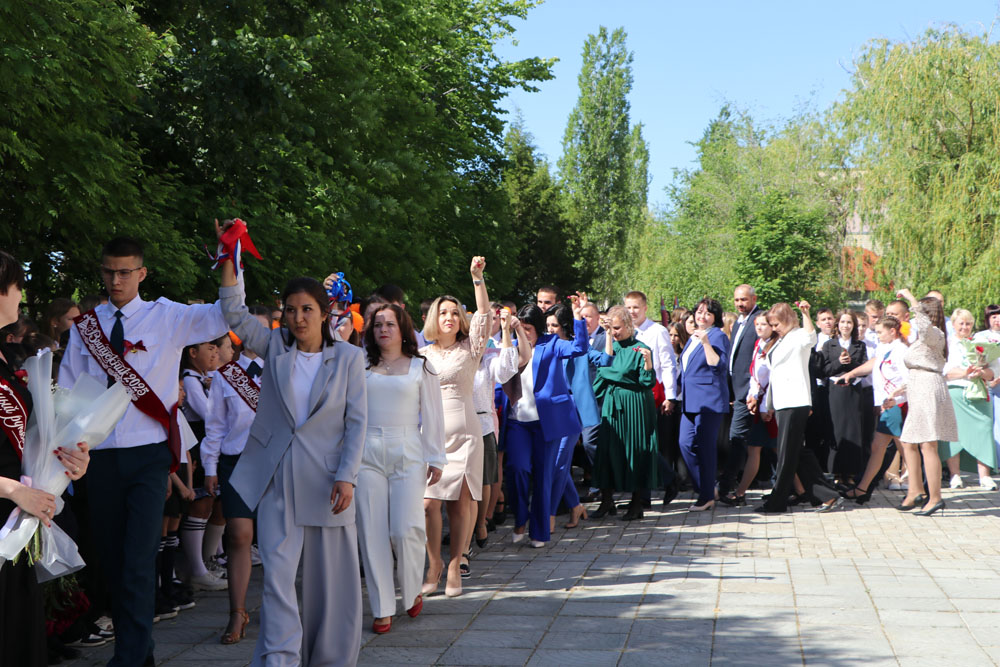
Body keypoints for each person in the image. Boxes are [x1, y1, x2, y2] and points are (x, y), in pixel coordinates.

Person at [59, 236, 230, 666]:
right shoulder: (85, 328)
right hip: (98, 459)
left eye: (124, 272)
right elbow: (69, 393)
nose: (115, 280)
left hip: (148, 455)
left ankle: (130, 658)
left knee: (137, 560)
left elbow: (225, 313)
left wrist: (231, 259)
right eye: (108, 272)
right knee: (112, 563)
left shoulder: (167, 316)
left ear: (141, 274)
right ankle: (139, 654)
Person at [216, 219, 367, 666]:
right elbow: (235, 313)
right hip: (276, 480)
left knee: (331, 584)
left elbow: (357, 423)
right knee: (278, 580)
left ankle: (330, 658)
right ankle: (279, 659)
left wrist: (347, 476)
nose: (298, 318)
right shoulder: (275, 347)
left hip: (328, 483)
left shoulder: (350, 358)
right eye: (291, 310)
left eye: (307, 310)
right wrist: (230, 257)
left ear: (325, 313)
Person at [0, 251, 90, 666]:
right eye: (17, 286)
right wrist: (14, 490)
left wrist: (68, 461)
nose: (21, 295)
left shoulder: (8, 355)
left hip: (17, 517)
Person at [357, 303, 446, 634]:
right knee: (371, 532)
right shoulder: (360, 365)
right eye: (378, 324)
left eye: (390, 324)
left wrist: (436, 457)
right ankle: (382, 607)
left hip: (408, 450)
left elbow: (433, 415)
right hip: (366, 452)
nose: (383, 329)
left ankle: (411, 591)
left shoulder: (421, 366)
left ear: (403, 328)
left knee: (405, 529)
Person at [420, 257, 491, 598]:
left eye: (454, 312)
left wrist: (477, 279)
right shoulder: (421, 354)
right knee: (428, 504)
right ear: (434, 319)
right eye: (442, 312)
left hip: (465, 433)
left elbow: (485, 316)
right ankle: (433, 564)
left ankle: (454, 565)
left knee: (459, 503)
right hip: (431, 435)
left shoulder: (471, 348)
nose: (448, 317)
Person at [202, 306, 270, 644]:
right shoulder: (225, 375)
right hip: (236, 462)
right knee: (239, 535)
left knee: (275, 539)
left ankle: (278, 610)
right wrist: (210, 466)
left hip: (274, 462)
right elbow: (215, 425)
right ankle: (237, 612)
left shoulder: (282, 370)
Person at [503, 296, 588, 545]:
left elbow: (580, 348)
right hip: (517, 422)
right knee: (517, 469)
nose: (524, 333)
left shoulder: (552, 343)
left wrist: (578, 316)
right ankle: (520, 518)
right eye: (520, 328)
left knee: (543, 476)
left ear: (538, 329)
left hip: (545, 423)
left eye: (528, 329)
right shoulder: (510, 345)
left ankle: (539, 532)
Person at [756, 302, 842, 514]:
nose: (774, 328)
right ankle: (827, 495)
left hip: (795, 401)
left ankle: (778, 501)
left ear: (787, 320)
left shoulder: (798, 336)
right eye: (771, 325)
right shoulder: (779, 340)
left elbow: (811, 337)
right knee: (796, 452)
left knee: (788, 454)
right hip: (783, 402)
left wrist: (806, 314)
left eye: (776, 324)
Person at [591, 306, 659, 520]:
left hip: (634, 407)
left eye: (618, 328)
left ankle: (637, 504)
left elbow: (647, 382)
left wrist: (647, 363)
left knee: (634, 452)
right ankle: (606, 501)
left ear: (629, 326)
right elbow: (600, 376)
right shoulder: (610, 348)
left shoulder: (641, 349)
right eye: (611, 328)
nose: (614, 332)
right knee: (606, 451)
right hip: (612, 405)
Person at [832, 315, 909, 503]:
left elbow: (908, 379)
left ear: (892, 331)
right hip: (886, 405)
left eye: (880, 332)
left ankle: (919, 489)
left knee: (906, 449)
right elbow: (872, 363)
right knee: (878, 447)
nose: (877, 336)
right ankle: (862, 488)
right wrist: (850, 374)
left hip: (896, 405)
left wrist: (896, 396)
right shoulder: (884, 347)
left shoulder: (901, 350)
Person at [894, 290, 958, 516]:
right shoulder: (927, 337)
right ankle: (915, 490)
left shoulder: (934, 333)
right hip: (918, 386)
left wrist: (911, 299)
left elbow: (923, 327)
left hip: (928, 389)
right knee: (909, 441)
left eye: (918, 312)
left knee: (927, 444)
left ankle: (935, 498)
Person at [469, 306, 524, 554]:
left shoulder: (491, 353)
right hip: (455, 426)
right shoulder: (456, 354)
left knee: (484, 478)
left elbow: (508, 369)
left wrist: (507, 331)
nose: (479, 337)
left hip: (484, 424)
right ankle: (464, 528)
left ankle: (481, 520)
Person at [546, 302, 599, 530]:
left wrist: (579, 317)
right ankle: (575, 505)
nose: (550, 329)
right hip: (550, 411)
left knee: (559, 463)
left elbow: (585, 349)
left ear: (565, 326)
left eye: (554, 325)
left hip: (572, 411)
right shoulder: (545, 345)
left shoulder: (573, 346)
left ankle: (549, 514)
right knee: (555, 463)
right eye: (547, 325)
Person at [624, 291, 679, 504]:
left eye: (636, 307)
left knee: (644, 445)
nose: (632, 312)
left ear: (645, 308)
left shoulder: (657, 331)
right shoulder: (625, 331)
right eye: (628, 307)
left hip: (651, 395)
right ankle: (644, 495)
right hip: (630, 395)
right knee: (638, 446)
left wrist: (670, 396)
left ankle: (667, 479)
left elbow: (667, 364)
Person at [677, 298, 731, 511]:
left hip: (709, 400)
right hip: (690, 400)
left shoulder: (717, 335)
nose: (702, 316)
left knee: (706, 448)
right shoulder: (693, 336)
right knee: (685, 443)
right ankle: (707, 487)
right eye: (699, 312)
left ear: (715, 318)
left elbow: (718, 365)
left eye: (708, 313)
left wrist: (707, 343)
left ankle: (706, 496)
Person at [721, 311, 778, 505]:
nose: (759, 328)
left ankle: (740, 492)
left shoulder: (775, 347)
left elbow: (772, 379)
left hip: (769, 405)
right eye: (757, 325)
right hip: (758, 402)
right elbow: (754, 375)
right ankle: (800, 489)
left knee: (770, 449)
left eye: (764, 324)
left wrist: (765, 405)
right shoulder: (758, 344)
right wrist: (752, 396)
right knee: (764, 448)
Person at [941, 308, 997, 490]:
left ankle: (984, 476)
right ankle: (955, 475)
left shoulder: (981, 343)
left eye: (968, 324)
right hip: (955, 391)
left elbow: (993, 371)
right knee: (954, 434)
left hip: (979, 392)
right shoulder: (946, 344)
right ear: (953, 325)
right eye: (961, 323)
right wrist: (965, 373)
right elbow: (944, 372)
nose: (965, 327)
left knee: (984, 430)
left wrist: (981, 373)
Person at [724, 285, 762, 497]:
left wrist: (751, 391)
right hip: (736, 389)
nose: (740, 304)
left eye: (744, 300)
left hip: (750, 391)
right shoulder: (739, 322)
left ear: (754, 299)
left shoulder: (759, 320)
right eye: (737, 300)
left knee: (737, 438)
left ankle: (726, 487)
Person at [821, 310, 868, 480]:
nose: (845, 326)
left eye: (849, 322)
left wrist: (851, 363)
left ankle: (851, 472)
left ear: (853, 325)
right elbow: (824, 369)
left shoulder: (860, 345)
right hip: (835, 391)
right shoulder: (829, 345)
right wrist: (839, 362)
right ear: (837, 324)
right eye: (842, 322)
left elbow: (865, 369)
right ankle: (835, 471)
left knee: (853, 430)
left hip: (853, 391)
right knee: (836, 429)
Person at [973, 305, 1000, 470]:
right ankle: (987, 462)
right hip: (986, 383)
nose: (997, 320)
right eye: (993, 316)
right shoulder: (981, 337)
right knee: (985, 423)